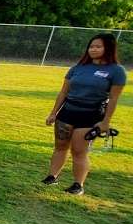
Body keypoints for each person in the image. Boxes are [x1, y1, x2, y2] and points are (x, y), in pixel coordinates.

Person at [42, 33, 125, 196]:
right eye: (91, 46)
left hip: (90, 116)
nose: (93, 49)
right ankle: (52, 177)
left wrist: (105, 122)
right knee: (60, 146)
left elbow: (114, 99)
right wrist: (53, 113)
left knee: (79, 151)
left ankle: (77, 185)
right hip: (67, 113)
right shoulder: (77, 68)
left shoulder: (116, 71)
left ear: (108, 48)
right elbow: (63, 92)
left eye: (98, 46)